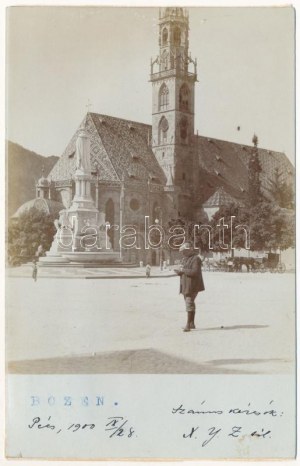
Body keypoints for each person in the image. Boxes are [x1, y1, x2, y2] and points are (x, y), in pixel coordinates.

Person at [174, 241, 205, 332]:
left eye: (184, 251)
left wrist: (183, 270)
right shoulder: (186, 259)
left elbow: (195, 272)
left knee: (189, 303)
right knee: (190, 303)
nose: (182, 253)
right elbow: (184, 271)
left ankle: (188, 325)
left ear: (189, 250)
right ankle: (192, 323)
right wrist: (179, 272)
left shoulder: (196, 259)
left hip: (192, 285)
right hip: (186, 285)